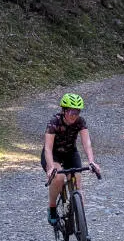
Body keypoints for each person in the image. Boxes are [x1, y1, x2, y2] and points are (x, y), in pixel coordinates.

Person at [42, 93, 101, 226]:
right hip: (54, 154)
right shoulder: (54, 122)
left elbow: (87, 144)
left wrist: (91, 161)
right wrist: (51, 167)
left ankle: (81, 223)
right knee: (58, 178)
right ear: (64, 110)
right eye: (71, 111)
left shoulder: (80, 121)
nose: (74, 115)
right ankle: (52, 208)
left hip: (70, 153)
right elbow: (48, 148)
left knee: (77, 187)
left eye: (77, 112)